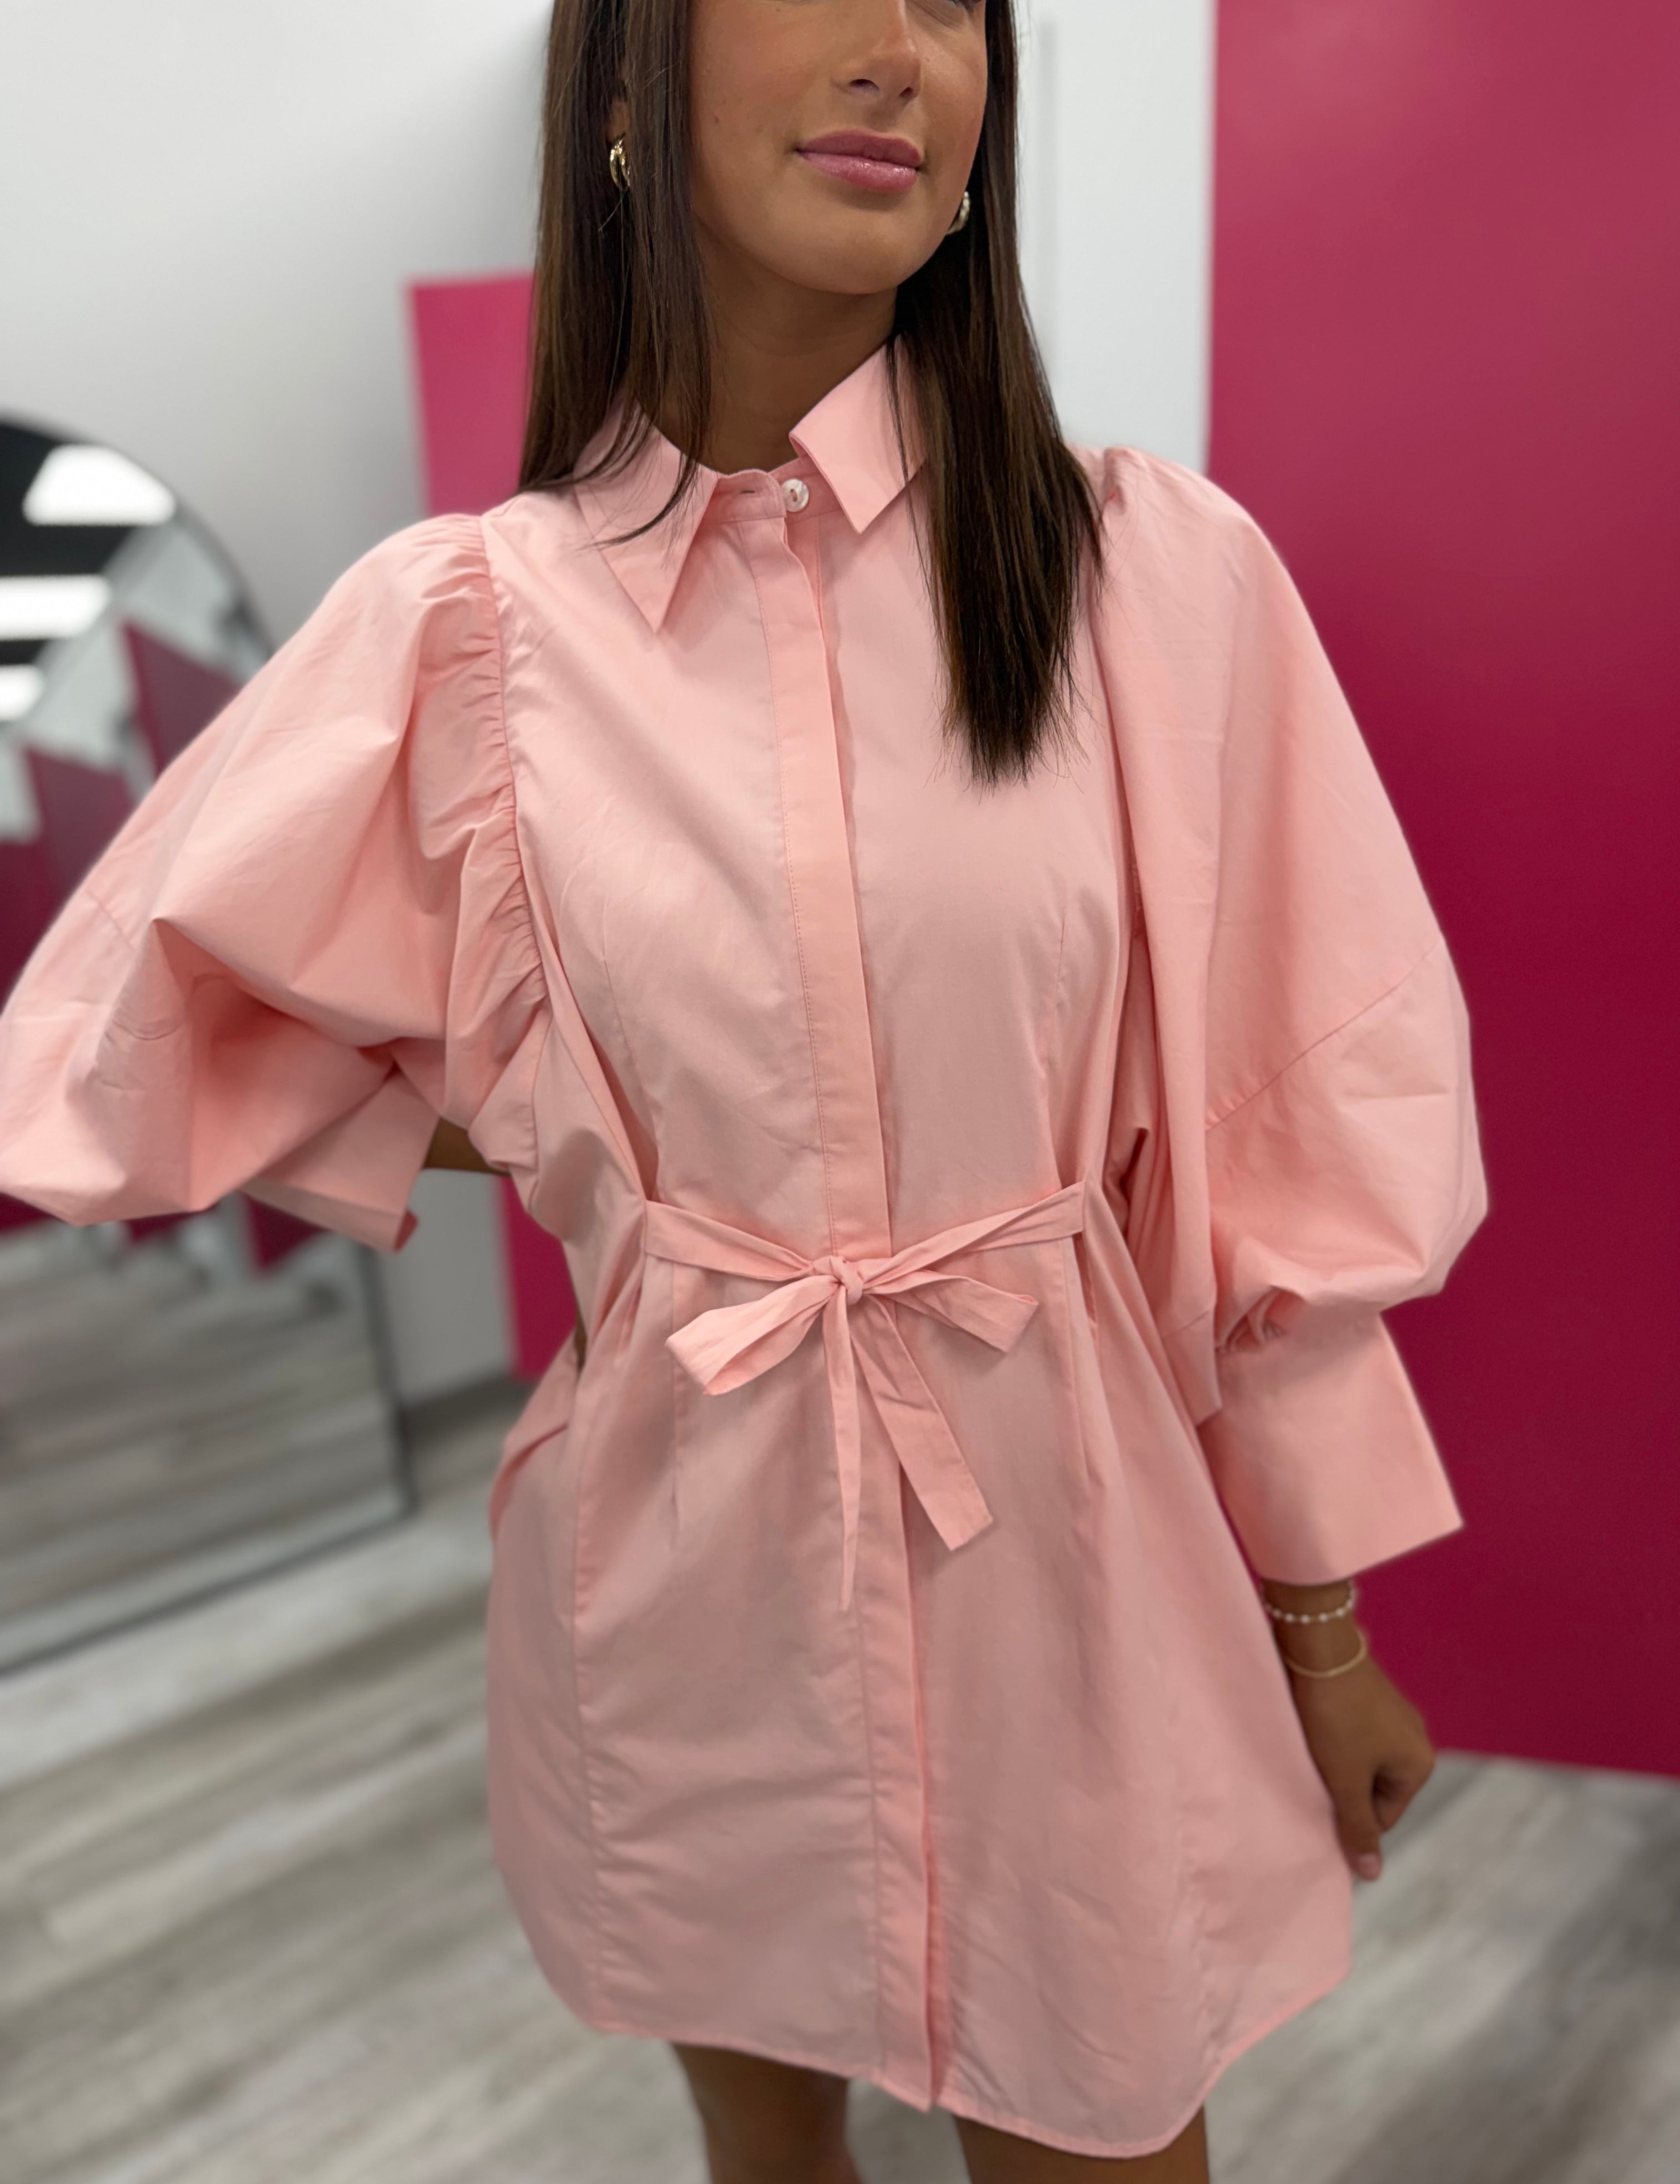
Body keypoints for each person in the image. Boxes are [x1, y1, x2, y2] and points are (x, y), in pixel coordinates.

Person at [0, 2, 1488, 2177]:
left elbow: (1287, 1129)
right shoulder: (469, 632)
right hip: (678, 1573)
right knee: (763, 2152)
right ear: (621, 83)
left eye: (956, 5)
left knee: (1104, 2122)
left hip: (1063, 1576)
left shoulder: (1144, 581)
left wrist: (1321, 1614)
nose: (902, 49)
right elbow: (128, 1030)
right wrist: (575, 1123)